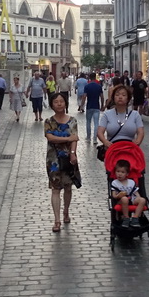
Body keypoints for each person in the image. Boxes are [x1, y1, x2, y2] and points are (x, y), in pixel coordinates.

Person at [44, 93, 79, 232]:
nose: (59, 104)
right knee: (55, 189)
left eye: (61, 101)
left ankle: (66, 211)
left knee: (68, 188)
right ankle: (57, 220)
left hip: (69, 158)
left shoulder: (73, 121)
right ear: (52, 105)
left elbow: (75, 138)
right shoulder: (48, 121)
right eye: (56, 102)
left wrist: (72, 153)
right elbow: (50, 137)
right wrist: (67, 139)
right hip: (53, 160)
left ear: (65, 103)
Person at [98, 85, 145, 152]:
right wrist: (105, 142)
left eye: (123, 95)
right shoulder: (107, 114)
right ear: (113, 98)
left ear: (128, 98)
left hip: (130, 150)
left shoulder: (135, 114)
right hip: (112, 150)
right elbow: (100, 132)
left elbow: (141, 132)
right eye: (117, 95)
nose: (120, 97)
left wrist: (138, 141)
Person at [110, 158, 147, 228]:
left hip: (132, 199)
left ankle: (135, 218)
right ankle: (126, 218)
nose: (119, 174)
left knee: (142, 200)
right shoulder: (115, 183)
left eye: (122, 172)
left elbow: (136, 193)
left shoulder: (131, 182)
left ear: (127, 174)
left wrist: (139, 198)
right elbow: (114, 195)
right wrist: (118, 196)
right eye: (118, 171)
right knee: (124, 199)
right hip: (120, 201)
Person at [83, 72, 104, 144]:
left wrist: (82, 106)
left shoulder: (87, 86)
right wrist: (102, 105)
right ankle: (95, 139)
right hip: (96, 106)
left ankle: (88, 138)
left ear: (89, 77)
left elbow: (84, 96)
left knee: (88, 122)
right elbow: (102, 96)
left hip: (89, 106)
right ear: (95, 77)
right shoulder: (98, 86)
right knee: (96, 123)